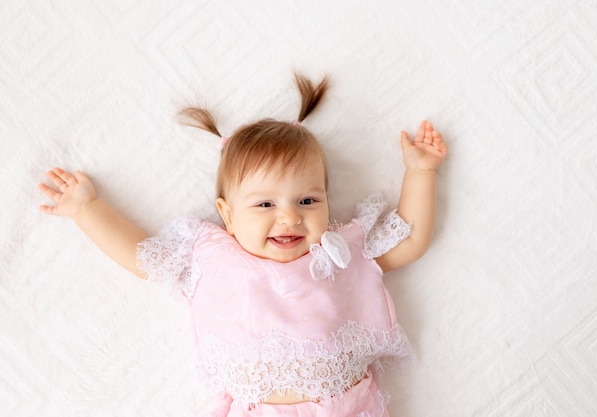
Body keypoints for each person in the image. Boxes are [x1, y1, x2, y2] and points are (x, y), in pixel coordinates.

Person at [38, 73, 448, 417]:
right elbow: (141, 257)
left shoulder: (342, 251)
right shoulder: (210, 258)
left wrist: (420, 173)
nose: (289, 217)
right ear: (228, 214)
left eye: (308, 200)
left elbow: (409, 239)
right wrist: (87, 208)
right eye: (265, 204)